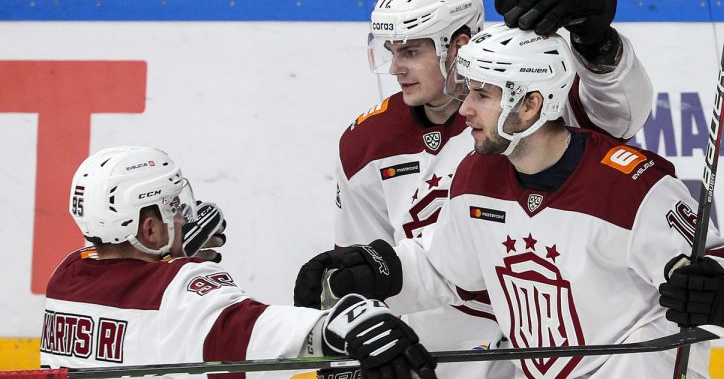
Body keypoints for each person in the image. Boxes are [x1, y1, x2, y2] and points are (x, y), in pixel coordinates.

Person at [295, 25, 724, 378]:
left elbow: (718, 257)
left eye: (483, 95)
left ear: (531, 104)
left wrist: (719, 292)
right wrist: (377, 268)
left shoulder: (629, 186)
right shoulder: (477, 174)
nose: (466, 109)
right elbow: (445, 269)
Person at [296, 0, 655, 379]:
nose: (395, 68)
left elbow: (621, 114)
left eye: (411, 51)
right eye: (391, 51)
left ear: (458, 44)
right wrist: (354, 347)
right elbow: (367, 264)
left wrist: (597, 43)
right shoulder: (365, 145)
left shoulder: (526, 103)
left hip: (550, 344)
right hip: (440, 357)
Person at [41, 146, 437, 379]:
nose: (184, 216)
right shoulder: (181, 288)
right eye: (174, 210)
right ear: (149, 230)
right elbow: (253, 332)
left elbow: (134, 296)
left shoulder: (66, 277)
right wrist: (345, 321)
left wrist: (167, 250)